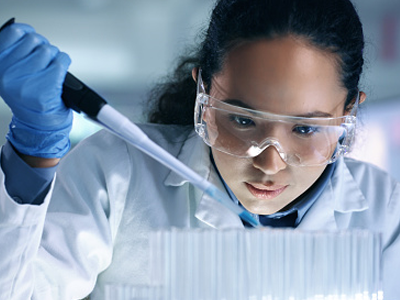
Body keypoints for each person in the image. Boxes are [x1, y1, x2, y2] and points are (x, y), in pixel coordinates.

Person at [0, 0, 399, 299]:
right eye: (242, 121)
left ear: (348, 111)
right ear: (204, 92)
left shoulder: (386, 212)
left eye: (305, 128)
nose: (269, 162)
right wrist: (33, 156)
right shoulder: (118, 173)